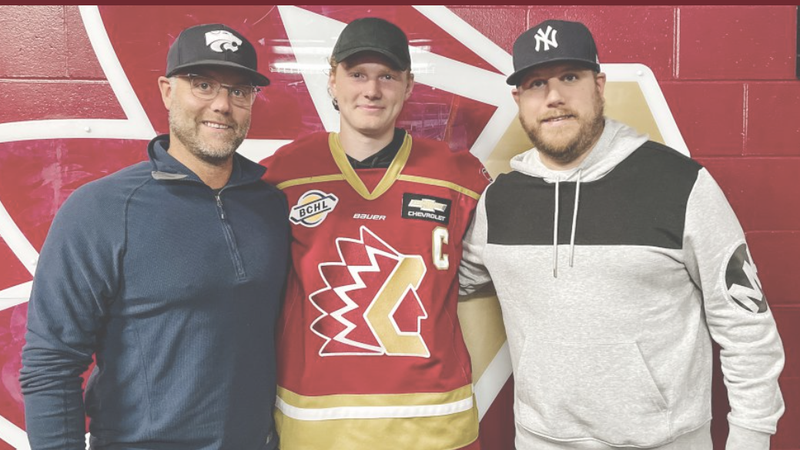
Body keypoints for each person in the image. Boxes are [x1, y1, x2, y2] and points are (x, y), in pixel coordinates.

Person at [459, 19, 785, 450]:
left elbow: (746, 325)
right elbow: (444, 281)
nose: (554, 97)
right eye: (536, 84)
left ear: (599, 85)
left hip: (665, 441)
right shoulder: (498, 203)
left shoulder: (680, 185)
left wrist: (751, 436)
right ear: (519, 100)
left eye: (569, 77)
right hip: (540, 439)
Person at [20, 23, 289, 450]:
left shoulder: (271, 206)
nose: (222, 104)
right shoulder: (101, 209)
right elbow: (50, 363)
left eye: (239, 91)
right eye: (203, 85)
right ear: (167, 91)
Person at [261, 17, 490, 450]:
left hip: (435, 426)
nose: (371, 90)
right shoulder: (283, 175)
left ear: (408, 85)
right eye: (357, 74)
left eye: (387, 76)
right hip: (318, 426)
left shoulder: (456, 175)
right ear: (332, 80)